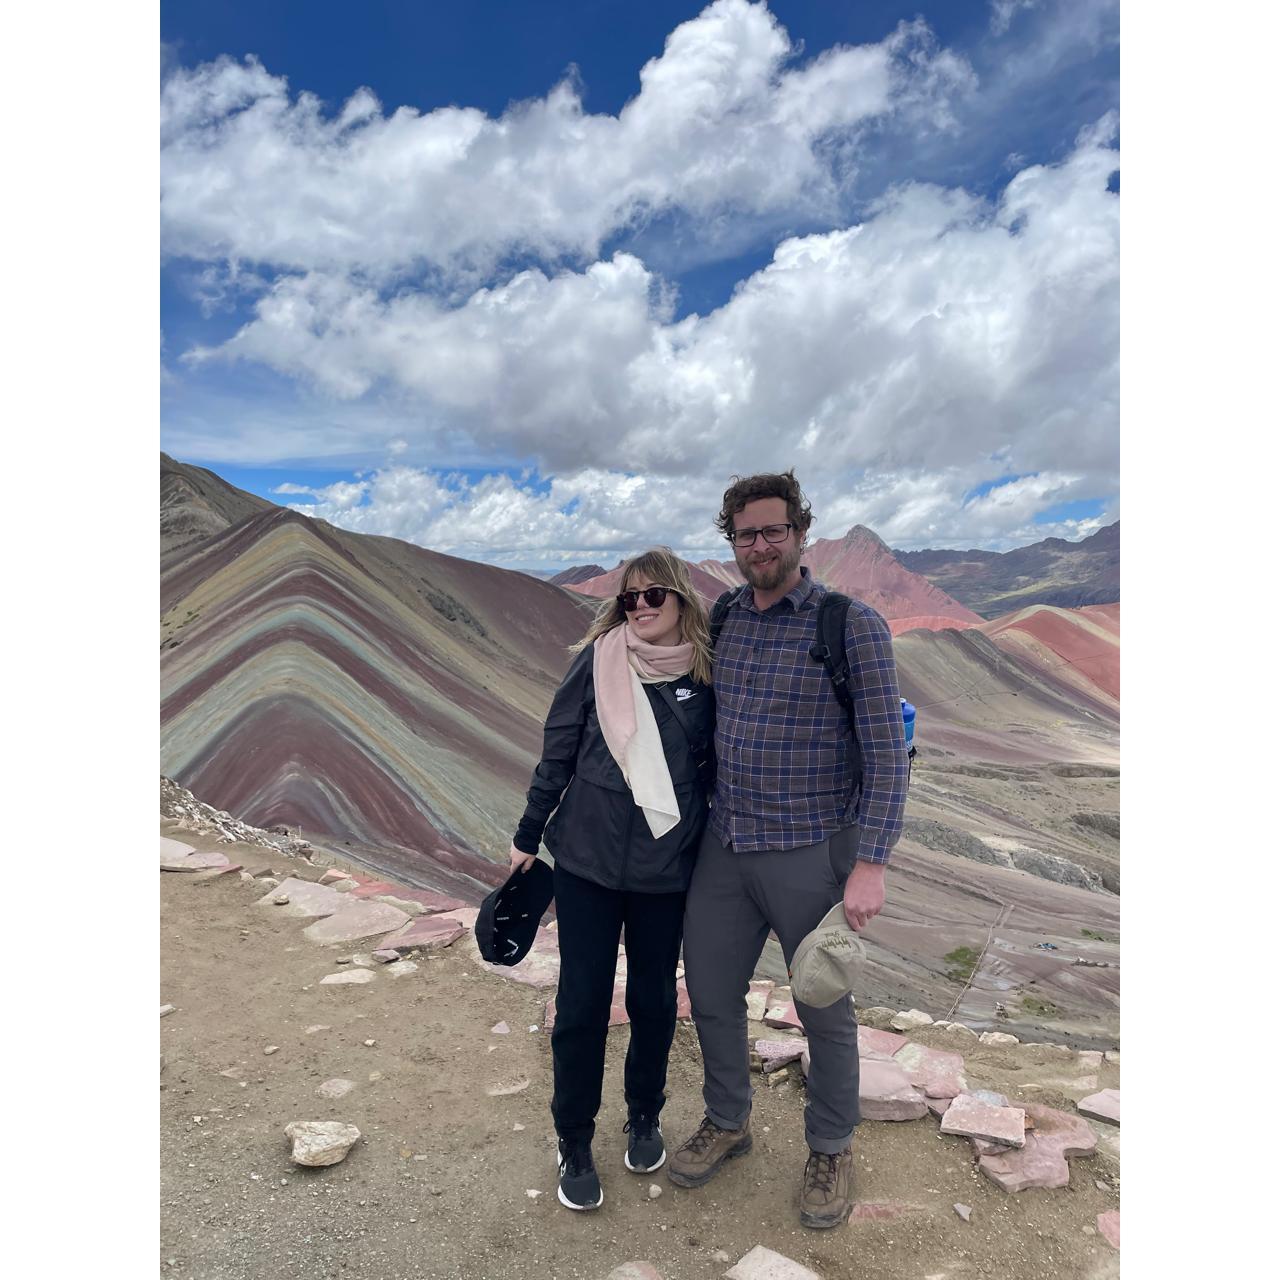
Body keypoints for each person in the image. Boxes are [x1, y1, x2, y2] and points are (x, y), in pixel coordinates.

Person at [667, 470, 910, 1229]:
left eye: (774, 530)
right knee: (709, 993)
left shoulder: (850, 625)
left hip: (812, 850)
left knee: (823, 1005)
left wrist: (870, 863)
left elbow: (885, 752)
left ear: (801, 532)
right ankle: (728, 1119)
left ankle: (831, 1146)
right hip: (726, 844)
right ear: (731, 542)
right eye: (746, 534)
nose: (760, 544)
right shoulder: (728, 613)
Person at [509, 548, 715, 1212]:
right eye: (630, 598)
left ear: (681, 598)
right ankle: (573, 1138)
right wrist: (527, 834)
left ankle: (644, 1115)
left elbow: (712, 777)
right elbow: (558, 749)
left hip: (665, 871)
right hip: (588, 866)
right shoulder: (597, 663)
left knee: (655, 1001)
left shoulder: (706, 675)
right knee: (582, 1006)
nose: (642, 607)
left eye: (655, 595)